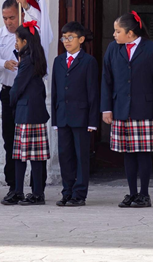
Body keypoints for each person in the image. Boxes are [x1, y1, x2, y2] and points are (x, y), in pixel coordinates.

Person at [102, 11, 153, 209]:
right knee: (128, 153)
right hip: (121, 108)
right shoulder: (113, 49)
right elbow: (106, 80)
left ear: (130, 33)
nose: (114, 34)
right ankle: (131, 193)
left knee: (143, 153)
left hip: (145, 108)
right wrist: (106, 108)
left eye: (117, 31)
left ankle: (144, 194)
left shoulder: (151, 49)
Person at [51, 22, 98, 207]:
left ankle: (79, 193)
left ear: (81, 39)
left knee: (81, 156)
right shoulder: (58, 61)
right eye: (64, 37)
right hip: (62, 116)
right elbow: (55, 91)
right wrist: (55, 119)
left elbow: (92, 92)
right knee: (65, 155)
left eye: (71, 37)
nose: (67, 41)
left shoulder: (88, 61)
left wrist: (92, 121)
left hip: (81, 117)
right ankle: (67, 191)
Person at [6, 20, 50, 205]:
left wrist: (11, 101)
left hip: (26, 112)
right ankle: (37, 191)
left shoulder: (27, 61)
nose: (16, 42)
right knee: (36, 156)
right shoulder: (35, 57)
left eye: (17, 39)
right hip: (36, 111)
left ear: (25, 41)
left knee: (21, 156)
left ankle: (20, 191)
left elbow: (17, 87)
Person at [0, 0, 22, 200]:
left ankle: (36, 185)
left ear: (20, 15)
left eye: (12, 17)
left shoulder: (29, 33)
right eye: (5, 18)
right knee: (9, 139)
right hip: (7, 91)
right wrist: (4, 63)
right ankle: (12, 184)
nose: (8, 22)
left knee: (29, 139)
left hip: (26, 92)